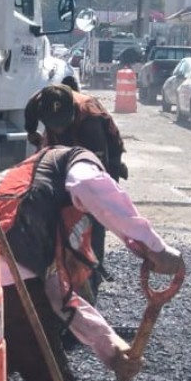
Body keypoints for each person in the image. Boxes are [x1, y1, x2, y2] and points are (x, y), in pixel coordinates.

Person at [0, 146, 184, 381]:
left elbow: (58, 294)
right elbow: (89, 185)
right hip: (8, 283)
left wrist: (111, 347)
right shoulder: (71, 160)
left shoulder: (21, 185)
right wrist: (154, 246)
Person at [24, 84, 128, 298]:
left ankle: (92, 277)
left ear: (72, 112)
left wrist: (89, 203)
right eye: (55, 126)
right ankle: (55, 280)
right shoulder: (38, 102)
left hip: (103, 160)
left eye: (62, 125)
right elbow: (30, 116)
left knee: (94, 215)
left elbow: (97, 176)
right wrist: (32, 133)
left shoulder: (90, 120)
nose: (59, 130)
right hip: (61, 149)